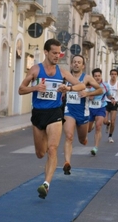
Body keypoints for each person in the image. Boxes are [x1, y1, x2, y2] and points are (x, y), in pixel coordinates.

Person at [18, 38, 85, 199]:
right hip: (38, 114)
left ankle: (46, 184)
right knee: (41, 153)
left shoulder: (62, 72)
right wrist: (35, 87)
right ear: (46, 52)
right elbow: (21, 89)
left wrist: (68, 87)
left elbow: (81, 85)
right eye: (54, 53)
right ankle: (46, 151)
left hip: (55, 113)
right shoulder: (35, 70)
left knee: (53, 149)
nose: (57, 56)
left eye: (59, 53)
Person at [63, 55, 102, 175]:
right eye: (74, 62)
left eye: (79, 62)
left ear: (83, 65)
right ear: (71, 64)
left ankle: (84, 139)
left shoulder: (87, 78)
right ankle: (67, 162)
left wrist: (88, 92)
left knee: (82, 140)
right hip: (69, 110)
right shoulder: (65, 77)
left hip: (83, 112)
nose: (76, 64)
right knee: (69, 136)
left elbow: (100, 90)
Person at [87, 68, 112, 156]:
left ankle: (95, 147)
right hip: (90, 108)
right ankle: (92, 125)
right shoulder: (88, 85)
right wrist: (88, 96)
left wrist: (112, 98)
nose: (97, 78)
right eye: (95, 76)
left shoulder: (105, 86)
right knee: (89, 130)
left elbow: (108, 95)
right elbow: (83, 95)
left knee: (98, 126)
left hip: (101, 107)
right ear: (93, 77)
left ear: (101, 76)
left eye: (99, 76)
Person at [104, 69, 118, 143]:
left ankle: (110, 136)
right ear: (110, 75)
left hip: (114, 103)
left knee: (113, 121)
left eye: (115, 74)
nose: (113, 75)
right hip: (106, 102)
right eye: (112, 74)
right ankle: (108, 124)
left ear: (117, 75)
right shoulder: (106, 83)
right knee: (105, 121)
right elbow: (102, 91)